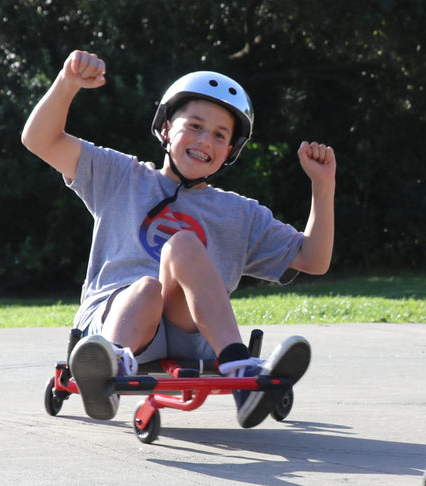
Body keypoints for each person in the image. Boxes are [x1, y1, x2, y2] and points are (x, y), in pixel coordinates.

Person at [21, 50, 335, 428]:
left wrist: (323, 187)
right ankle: (109, 365)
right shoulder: (122, 176)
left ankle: (241, 375)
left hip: (191, 332)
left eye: (220, 135)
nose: (205, 140)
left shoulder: (239, 214)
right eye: (195, 126)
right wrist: (68, 83)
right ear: (167, 129)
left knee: (183, 245)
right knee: (147, 287)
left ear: (230, 152)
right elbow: (39, 139)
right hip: (116, 322)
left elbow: (313, 259)